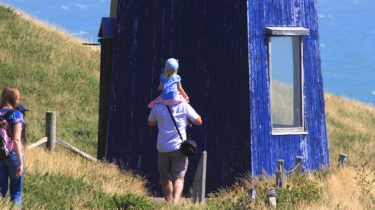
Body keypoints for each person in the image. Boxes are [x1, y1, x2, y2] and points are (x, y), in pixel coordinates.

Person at [147, 101, 202, 204]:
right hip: (179, 148)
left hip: (163, 148)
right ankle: (175, 203)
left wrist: (161, 120)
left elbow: (150, 122)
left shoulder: (157, 107)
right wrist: (186, 118)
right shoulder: (183, 105)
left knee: (165, 179)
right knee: (179, 178)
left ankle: (169, 204)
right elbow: (199, 121)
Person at [0, 86, 24, 207]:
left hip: (0, 156)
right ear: (15, 99)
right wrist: (20, 162)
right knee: (15, 193)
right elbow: (16, 139)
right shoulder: (17, 115)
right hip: (13, 155)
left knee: (1, 192)